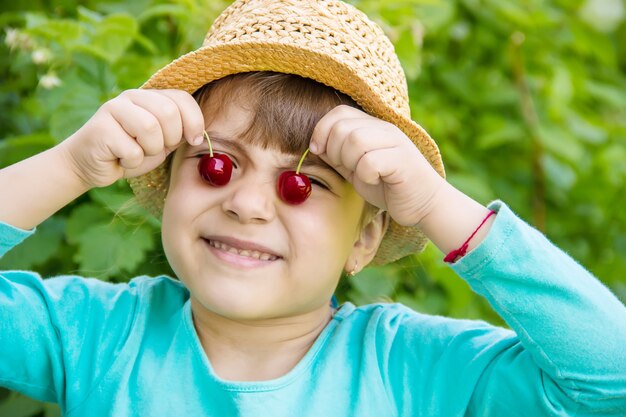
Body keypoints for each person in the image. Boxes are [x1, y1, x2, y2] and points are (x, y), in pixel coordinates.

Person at [1, 0, 625, 415]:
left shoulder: (415, 370)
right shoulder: (94, 334)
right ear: (166, 183)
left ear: (365, 240)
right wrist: (70, 164)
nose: (246, 204)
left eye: (304, 184)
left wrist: (436, 202)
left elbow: (612, 380)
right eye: (217, 163)